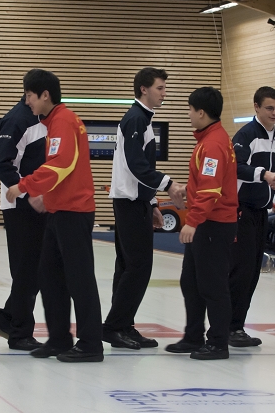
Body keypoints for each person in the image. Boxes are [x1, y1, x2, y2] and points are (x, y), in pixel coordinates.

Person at [6, 69, 103, 363]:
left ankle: (90, 344)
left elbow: (60, 165)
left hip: (74, 213)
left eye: (30, 95)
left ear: (44, 95)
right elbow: (64, 171)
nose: (27, 101)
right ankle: (59, 338)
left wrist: (23, 186)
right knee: (49, 276)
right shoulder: (54, 122)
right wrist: (46, 199)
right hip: (58, 212)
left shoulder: (63, 121)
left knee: (79, 280)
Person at [104, 67, 185, 350]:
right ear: (143, 89)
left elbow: (139, 169)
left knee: (128, 266)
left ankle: (123, 325)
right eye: (160, 88)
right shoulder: (136, 119)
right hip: (128, 203)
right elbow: (137, 165)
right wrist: (169, 184)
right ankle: (115, 326)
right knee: (138, 267)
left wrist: (151, 203)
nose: (164, 93)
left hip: (135, 202)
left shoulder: (143, 120)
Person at [165, 86, 238, 360]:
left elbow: (211, 191)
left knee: (212, 285)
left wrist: (192, 222)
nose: (188, 115)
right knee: (191, 282)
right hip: (207, 221)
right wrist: (189, 190)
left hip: (213, 224)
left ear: (202, 112)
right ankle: (194, 336)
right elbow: (207, 184)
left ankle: (218, 342)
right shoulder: (209, 140)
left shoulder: (213, 144)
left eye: (190, 110)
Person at [228, 86, 275, 347]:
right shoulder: (246, 135)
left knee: (253, 272)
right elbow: (236, 167)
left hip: (261, 212)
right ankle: (228, 326)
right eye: (269, 107)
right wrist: (262, 174)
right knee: (240, 270)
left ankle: (238, 326)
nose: (274, 112)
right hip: (240, 210)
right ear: (256, 107)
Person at [0, 95, 47, 351]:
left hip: (39, 204)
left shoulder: (42, 118)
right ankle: (20, 333)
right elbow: (2, 164)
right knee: (26, 270)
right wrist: (28, 193)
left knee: (35, 269)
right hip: (20, 205)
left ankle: (7, 319)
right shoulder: (18, 120)